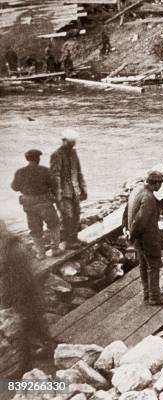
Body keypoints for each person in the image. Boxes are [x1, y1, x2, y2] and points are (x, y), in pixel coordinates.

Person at [0, 222, 54, 375]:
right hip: (24, 296)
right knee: (35, 325)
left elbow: (21, 281)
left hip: (23, 297)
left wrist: (10, 302)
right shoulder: (9, 246)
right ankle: (47, 348)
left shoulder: (14, 250)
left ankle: (25, 365)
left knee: (22, 330)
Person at [123, 171, 163, 306]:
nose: (160, 186)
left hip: (138, 238)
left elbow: (126, 211)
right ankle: (155, 297)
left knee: (144, 265)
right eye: (160, 183)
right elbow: (140, 220)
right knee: (154, 265)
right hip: (147, 238)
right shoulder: (148, 197)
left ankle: (148, 292)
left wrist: (127, 230)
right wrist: (133, 235)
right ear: (155, 183)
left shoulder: (136, 191)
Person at [11, 149, 62, 260]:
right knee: (54, 225)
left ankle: (41, 253)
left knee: (35, 229)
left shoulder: (19, 172)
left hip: (28, 204)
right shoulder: (45, 171)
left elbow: (14, 187)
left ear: (27, 159)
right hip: (44, 202)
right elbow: (55, 186)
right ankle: (55, 250)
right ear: (38, 159)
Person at [50, 129, 87, 249]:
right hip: (64, 193)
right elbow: (55, 176)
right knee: (68, 216)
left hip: (75, 191)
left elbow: (79, 173)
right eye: (70, 142)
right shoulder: (56, 155)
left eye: (73, 142)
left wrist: (83, 189)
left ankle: (74, 238)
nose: (72, 144)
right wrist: (58, 195)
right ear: (64, 140)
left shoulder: (74, 153)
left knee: (76, 215)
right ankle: (69, 241)